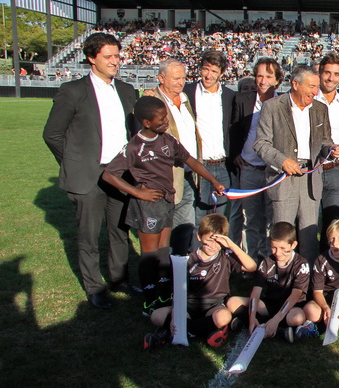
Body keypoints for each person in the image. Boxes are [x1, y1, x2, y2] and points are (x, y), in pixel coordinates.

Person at [102, 96, 225, 314]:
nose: (166, 122)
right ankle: (149, 300)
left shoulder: (168, 141)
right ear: (146, 122)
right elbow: (109, 175)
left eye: (166, 117)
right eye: (161, 119)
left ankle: (163, 292)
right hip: (147, 206)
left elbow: (191, 161)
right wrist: (137, 191)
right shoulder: (135, 146)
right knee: (149, 254)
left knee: (162, 252)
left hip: (167, 201)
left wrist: (213, 181)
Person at [43, 32, 137, 309]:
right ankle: (95, 287)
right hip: (88, 175)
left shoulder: (127, 90)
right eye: (108, 57)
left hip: (119, 173)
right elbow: (52, 134)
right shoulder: (72, 91)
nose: (115, 62)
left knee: (120, 230)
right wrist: (72, 163)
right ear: (91, 57)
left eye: (117, 56)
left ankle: (119, 280)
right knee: (89, 234)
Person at [253, 65, 339, 263]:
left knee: (309, 236)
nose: (315, 91)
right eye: (311, 86)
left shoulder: (320, 109)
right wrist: (282, 161)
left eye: (316, 87)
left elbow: (325, 141)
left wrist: (331, 150)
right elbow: (260, 143)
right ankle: (279, 281)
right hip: (283, 179)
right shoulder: (273, 107)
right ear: (295, 84)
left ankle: (307, 284)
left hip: (310, 180)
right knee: (282, 236)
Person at [143, 213, 257, 349]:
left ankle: (175, 332)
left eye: (218, 241)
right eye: (209, 241)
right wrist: (175, 314)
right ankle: (205, 330)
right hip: (188, 305)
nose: (213, 246)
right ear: (199, 236)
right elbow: (177, 291)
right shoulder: (188, 259)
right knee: (156, 316)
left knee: (224, 317)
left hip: (213, 305)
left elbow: (252, 267)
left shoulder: (226, 255)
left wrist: (231, 245)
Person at [229, 59, 283, 260]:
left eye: (269, 76)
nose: (263, 80)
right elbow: (234, 129)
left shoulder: (283, 102)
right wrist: (235, 154)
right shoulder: (244, 100)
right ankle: (252, 260)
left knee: (272, 219)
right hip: (249, 170)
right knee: (251, 219)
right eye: (260, 75)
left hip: (273, 171)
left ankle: (270, 260)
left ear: (277, 80)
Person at [145, 58, 199, 255]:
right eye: (176, 78)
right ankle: (161, 272)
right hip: (164, 177)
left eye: (183, 77)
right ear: (161, 78)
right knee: (162, 230)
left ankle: (180, 268)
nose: (181, 82)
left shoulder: (185, 99)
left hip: (187, 175)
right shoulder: (152, 102)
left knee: (185, 226)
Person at [184, 50, 235, 225]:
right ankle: (194, 251)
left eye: (214, 71)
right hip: (198, 164)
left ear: (221, 73)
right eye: (206, 69)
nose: (208, 75)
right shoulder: (187, 93)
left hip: (222, 165)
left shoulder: (229, 96)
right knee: (197, 216)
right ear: (200, 69)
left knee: (218, 218)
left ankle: (215, 251)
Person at [248, 221, 311, 343]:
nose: (277, 253)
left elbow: (295, 295)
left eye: (283, 248)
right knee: (234, 303)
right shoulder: (266, 262)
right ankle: (255, 323)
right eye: (273, 247)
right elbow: (256, 292)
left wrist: (277, 318)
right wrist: (251, 317)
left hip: (292, 306)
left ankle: (276, 327)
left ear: (293, 245)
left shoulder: (301, 264)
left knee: (296, 318)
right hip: (271, 304)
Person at [315, 53, 339, 249]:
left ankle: (326, 262)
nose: (331, 78)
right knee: (308, 220)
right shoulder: (309, 99)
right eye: (327, 73)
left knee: (332, 221)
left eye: (336, 74)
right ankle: (305, 263)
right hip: (312, 168)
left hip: (335, 169)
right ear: (319, 72)